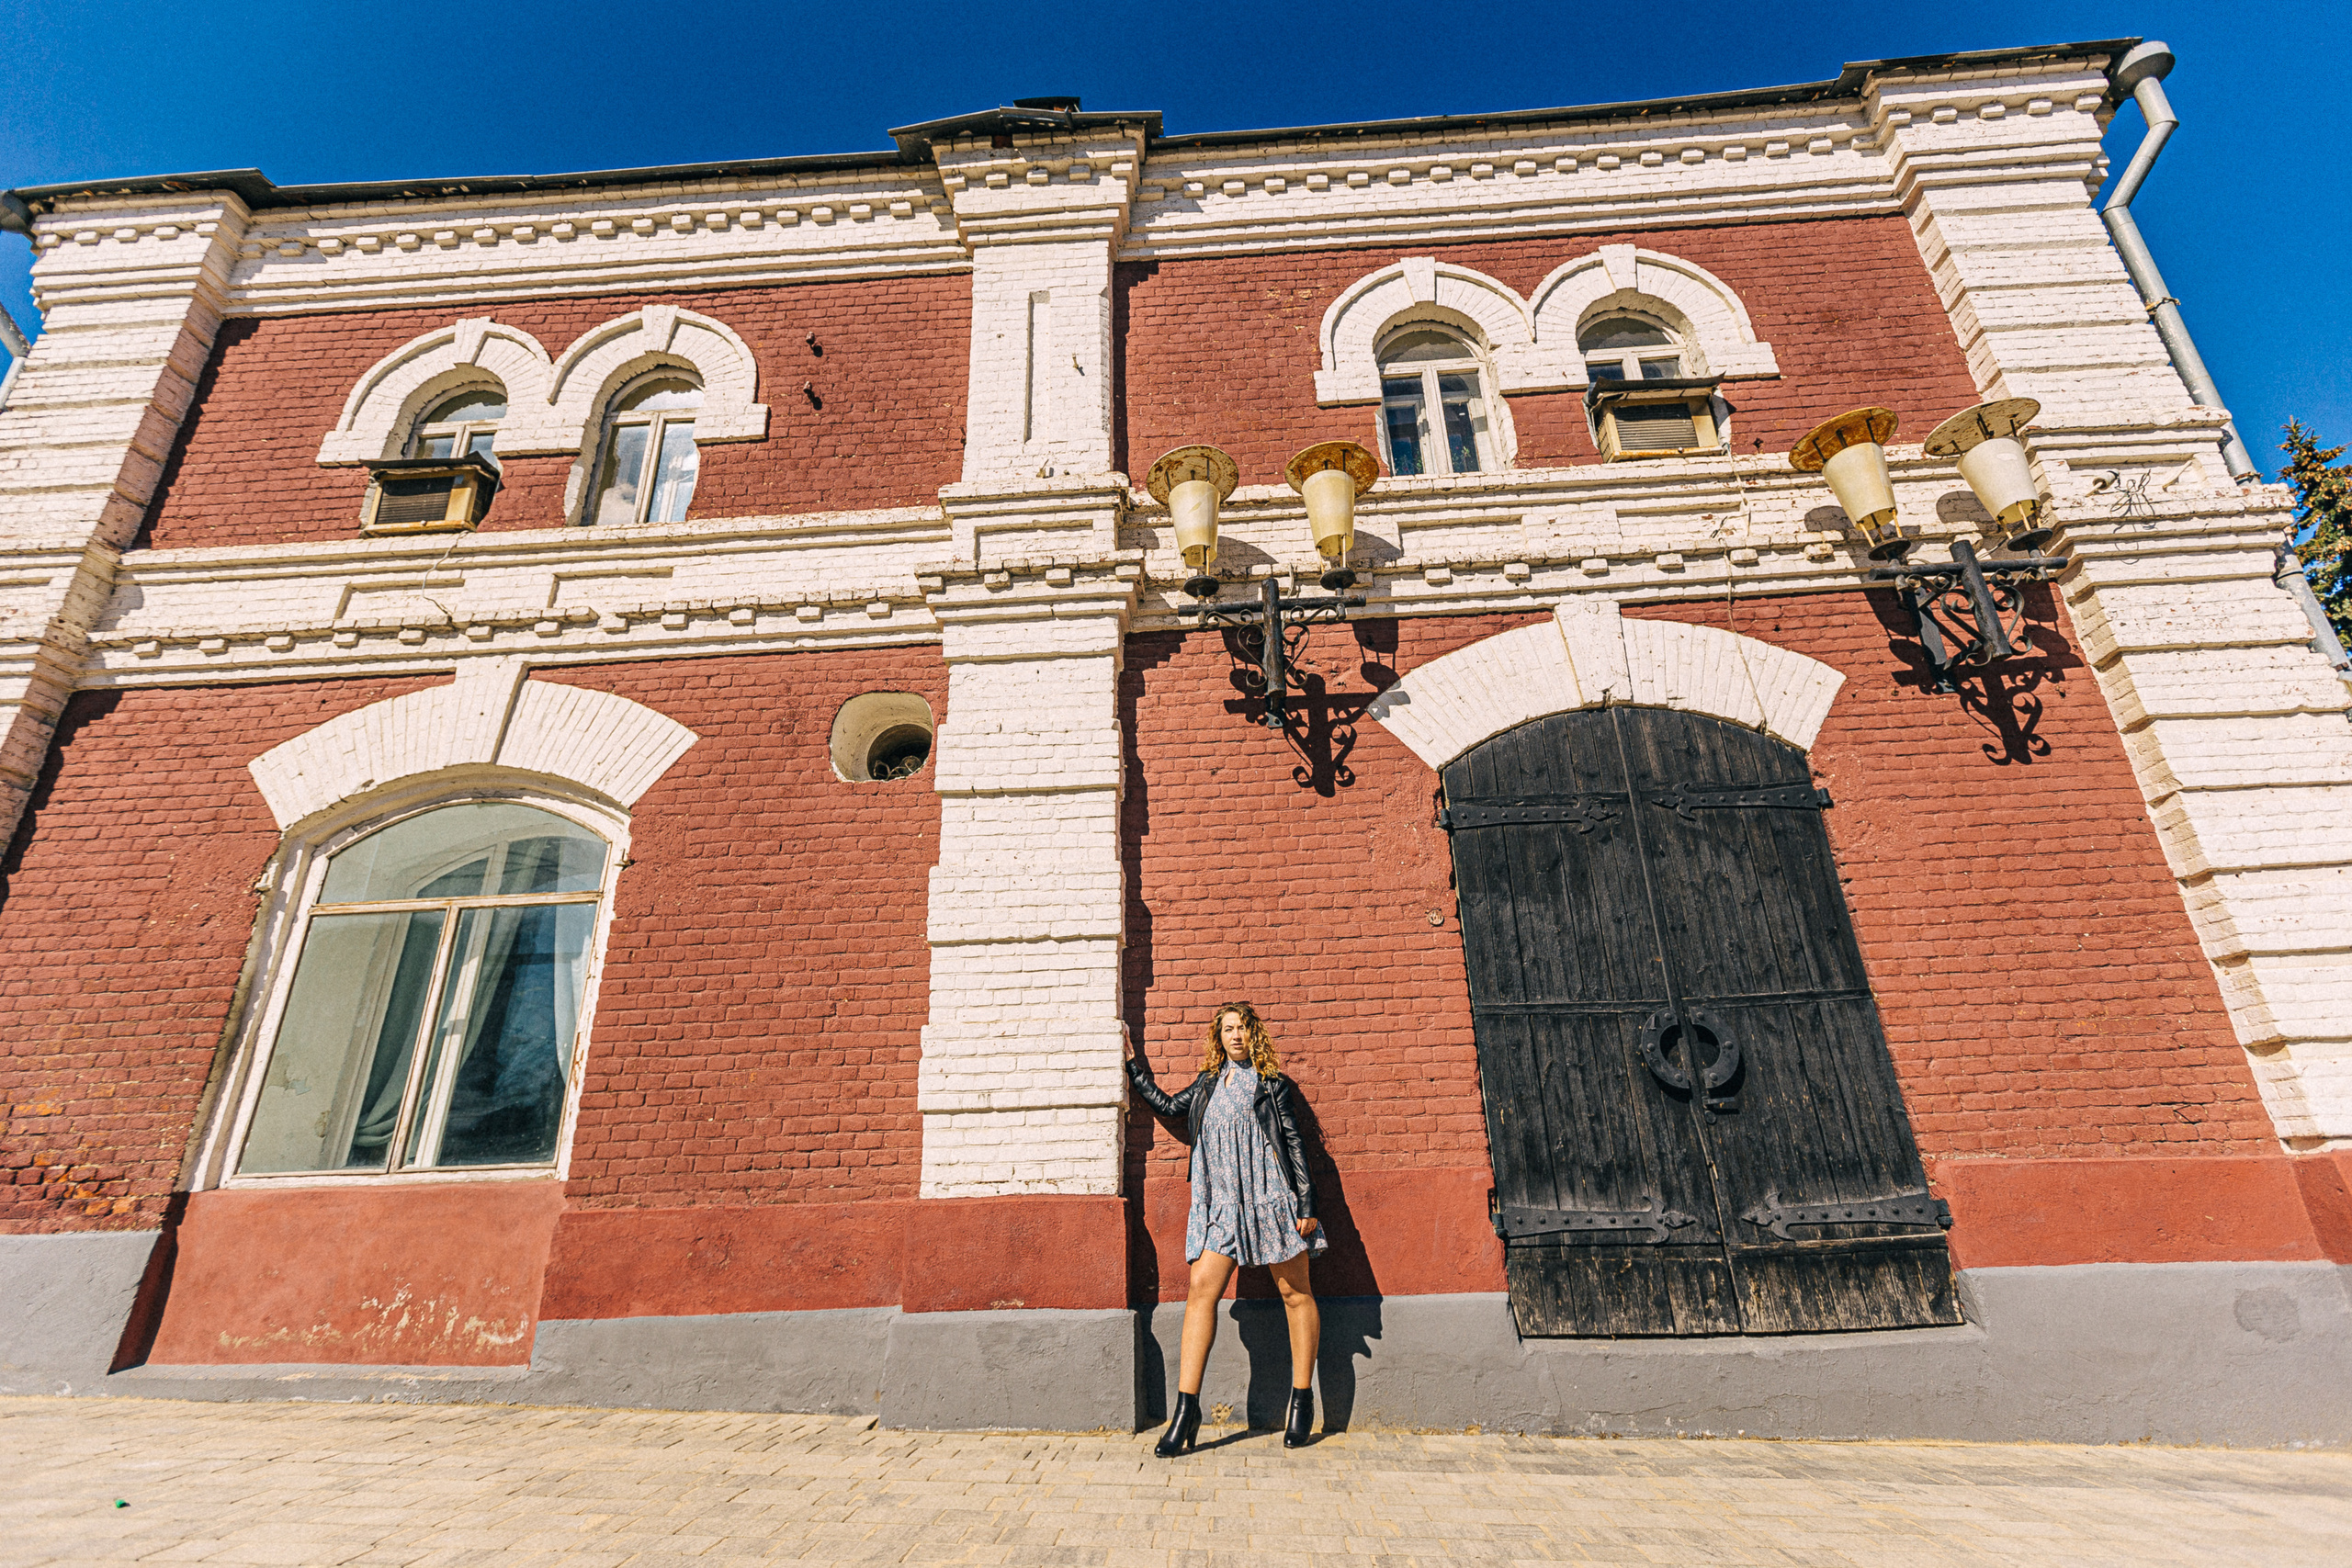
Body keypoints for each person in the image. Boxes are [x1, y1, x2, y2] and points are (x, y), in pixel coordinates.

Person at [1125, 1001, 1324, 1455]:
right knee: (1201, 1291)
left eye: (1243, 1029)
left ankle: (1302, 1399)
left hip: (1271, 1199)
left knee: (1295, 1294)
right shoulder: (1208, 1083)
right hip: (1222, 1206)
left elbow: (1292, 1140)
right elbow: (1171, 1107)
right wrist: (1133, 1066)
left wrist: (1306, 1201)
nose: (1236, 1036)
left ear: (1255, 1035)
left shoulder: (1272, 1085)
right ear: (1218, 1038)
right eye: (1228, 1030)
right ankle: (1187, 1411)